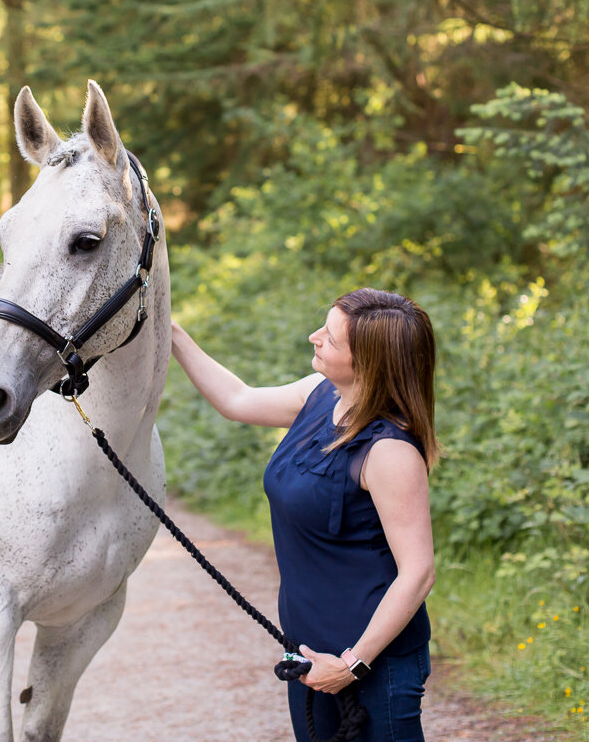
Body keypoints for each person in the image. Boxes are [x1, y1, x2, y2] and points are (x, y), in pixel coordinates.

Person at [170, 287, 438, 742]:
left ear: (368, 363)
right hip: (312, 657)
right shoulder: (319, 395)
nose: (315, 337)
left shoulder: (389, 451)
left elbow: (418, 572)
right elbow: (236, 399)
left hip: (374, 662)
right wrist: (171, 332)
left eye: (331, 339)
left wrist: (353, 664)